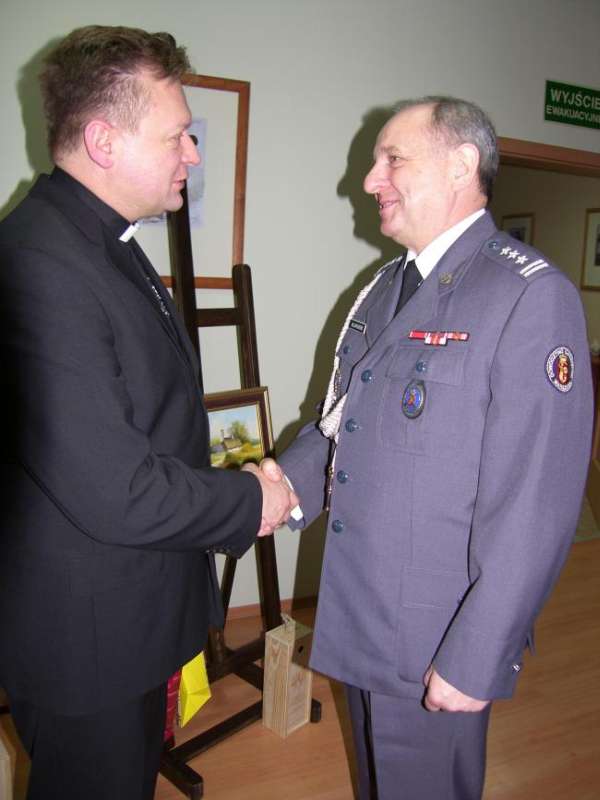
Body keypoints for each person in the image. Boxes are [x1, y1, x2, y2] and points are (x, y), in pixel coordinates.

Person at [260, 97, 593, 798]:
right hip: (362, 610)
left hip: (436, 633)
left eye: (393, 159)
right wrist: (284, 486)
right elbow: (341, 424)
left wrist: (479, 653)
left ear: (460, 165)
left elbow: (535, 503)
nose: (370, 180)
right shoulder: (387, 287)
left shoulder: (527, 295)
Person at [0, 25, 296, 800]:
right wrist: (251, 499)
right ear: (104, 141)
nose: (192, 154)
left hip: (123, 615)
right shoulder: (40, 262)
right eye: (178, 136)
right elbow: (116, 489)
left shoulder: (98, 241)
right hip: (85, 641)